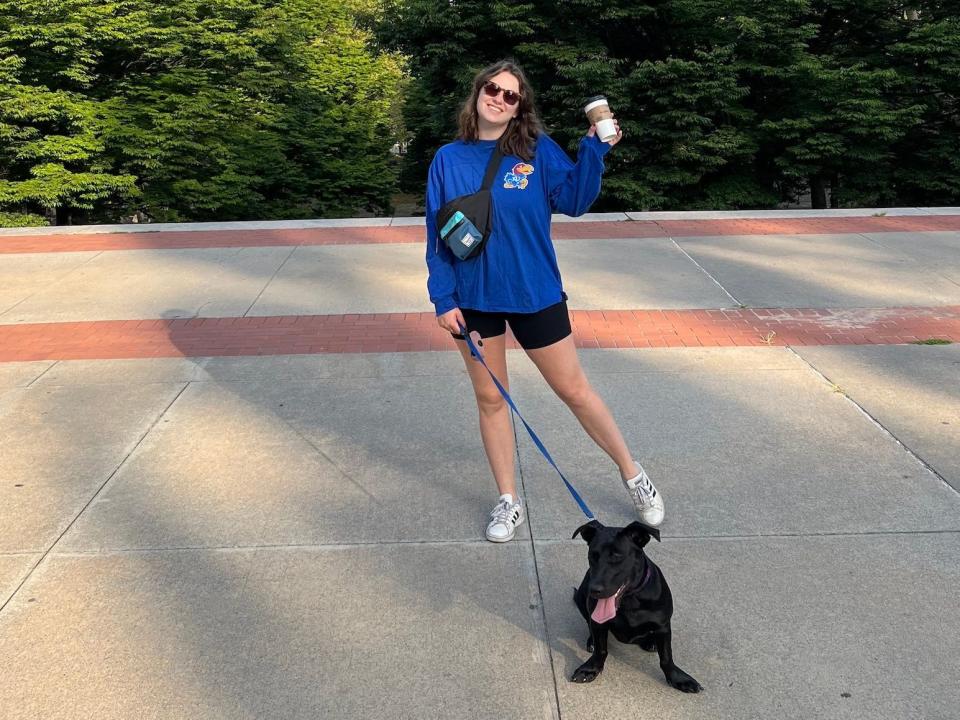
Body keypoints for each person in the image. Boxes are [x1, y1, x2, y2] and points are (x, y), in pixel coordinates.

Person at [425, 59, 664, 543]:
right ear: (477, 94)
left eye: (510, 95)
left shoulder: (535, 150)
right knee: (491, 398)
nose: (498, 97)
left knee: (574, 391)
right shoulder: (447, 159)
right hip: (474, 300)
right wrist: (442, 298)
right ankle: (508, 500)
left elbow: (574, 199)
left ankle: (633, 475)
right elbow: (437, 233)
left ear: (519, 109)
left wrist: (595, 151)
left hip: (535, 293)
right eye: (492, 88)